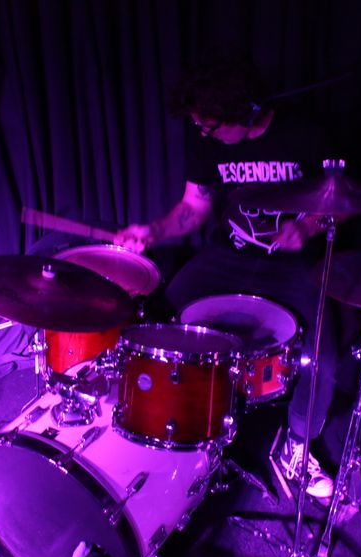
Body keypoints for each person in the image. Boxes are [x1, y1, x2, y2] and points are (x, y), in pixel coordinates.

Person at [115, 59, 339, 500]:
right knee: (157, 316)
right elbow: (194, 208)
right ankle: (172, 418)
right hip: (228, 257)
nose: (203, 133)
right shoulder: (208, 140)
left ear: (245, 110)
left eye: (210, 125)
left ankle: (297, 444)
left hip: (296, 263)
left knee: (322, 359)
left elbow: (342, 201)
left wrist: (308, 227)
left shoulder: (307, 134)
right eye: (199, 125)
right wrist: (154, 230)